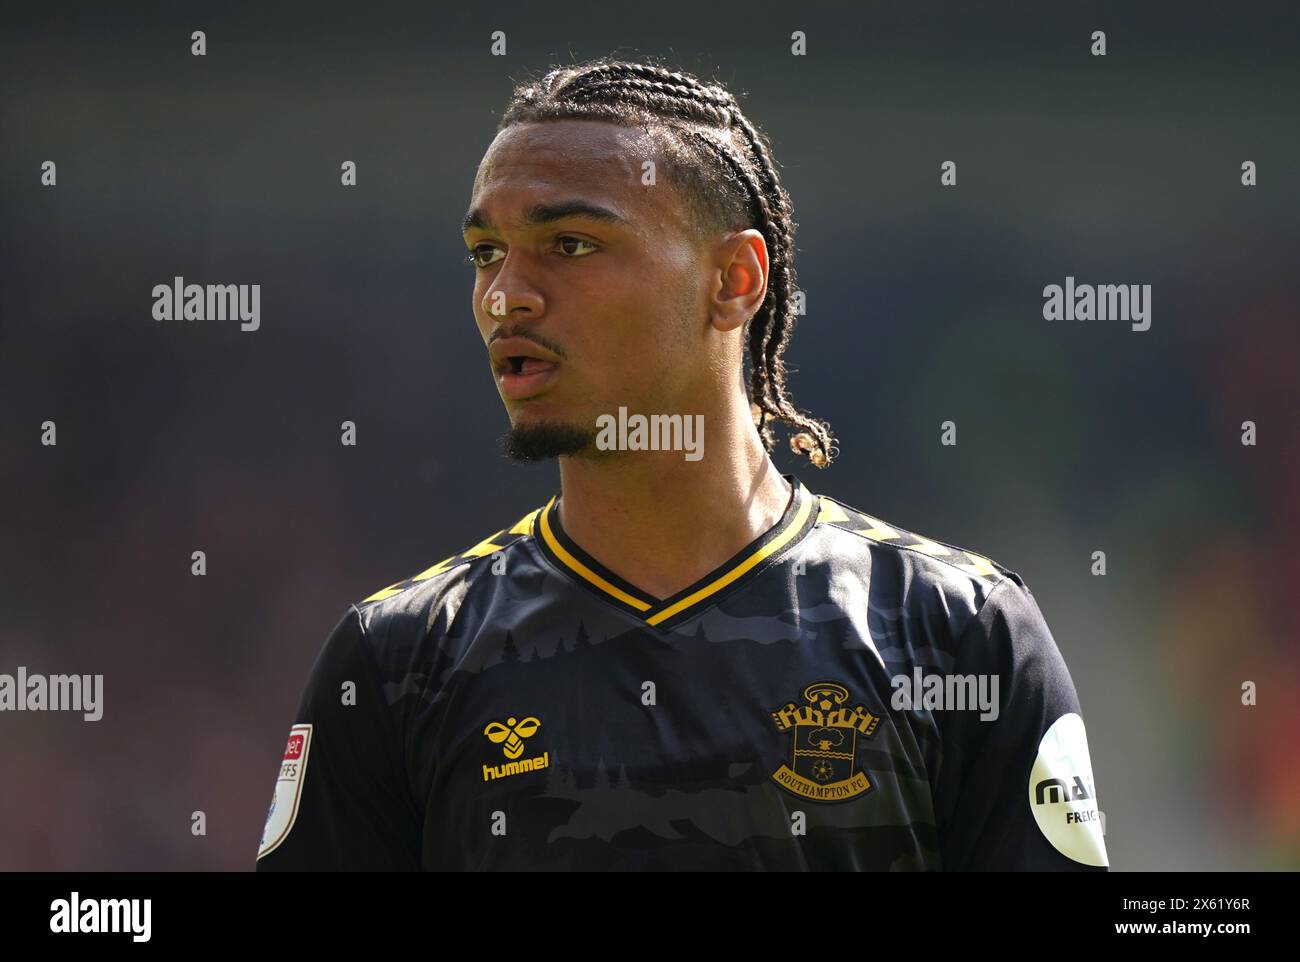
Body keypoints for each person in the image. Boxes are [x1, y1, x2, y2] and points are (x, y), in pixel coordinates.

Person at [256, 58, 1108, 871]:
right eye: (487, 253)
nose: (505, 294)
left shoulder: (956, 635)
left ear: (734, 279)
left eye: (571, 245)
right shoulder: (399, 662)